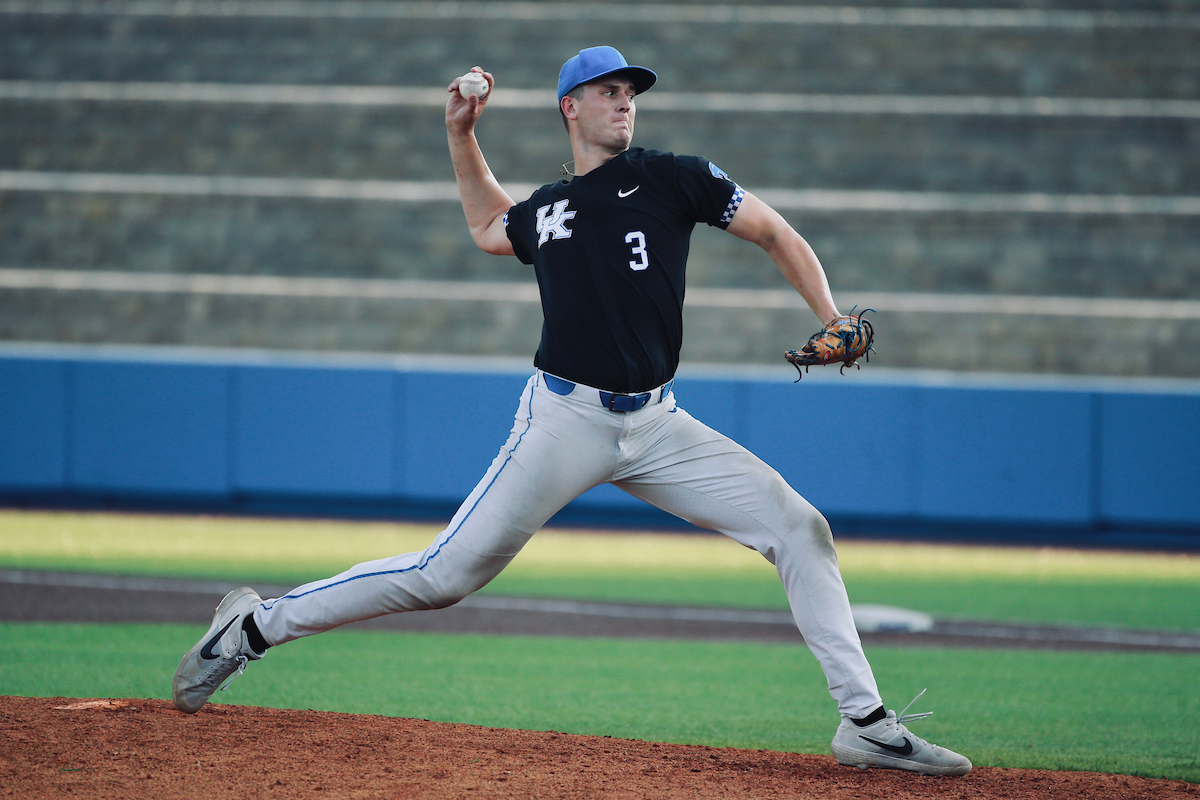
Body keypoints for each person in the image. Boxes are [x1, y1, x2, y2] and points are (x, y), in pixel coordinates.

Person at [172, 46, 971, 777]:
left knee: (801, 528)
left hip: (659, 426)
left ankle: (863, 722)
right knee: (443, 576)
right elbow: (490, 224)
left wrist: (830, 311)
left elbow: (773, 230)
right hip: (562, 421)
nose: (625, 102)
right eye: (608, 90)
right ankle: (251, 627)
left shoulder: (673, 177)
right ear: (570, 107)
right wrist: (462, 132)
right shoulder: (551, 210)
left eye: (631, 91)